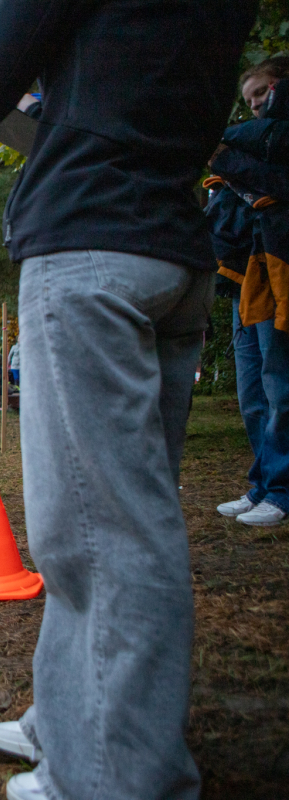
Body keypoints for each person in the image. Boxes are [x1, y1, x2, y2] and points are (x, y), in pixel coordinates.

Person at [0, 2, 256, 799]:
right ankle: (69, 722)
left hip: (89, 249)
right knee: (108, 524)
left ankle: (118, 776)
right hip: (172, 250)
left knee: (104, 537)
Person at [206, 57, 289, 528]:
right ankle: (262, 484)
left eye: (263, 91)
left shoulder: (274, 140)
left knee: (279, 388)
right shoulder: (250, 141)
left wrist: (225, 156)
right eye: (250, 98)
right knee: (252, 392)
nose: (256, 103)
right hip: (244, 279)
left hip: (275, 271)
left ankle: (280, 490)